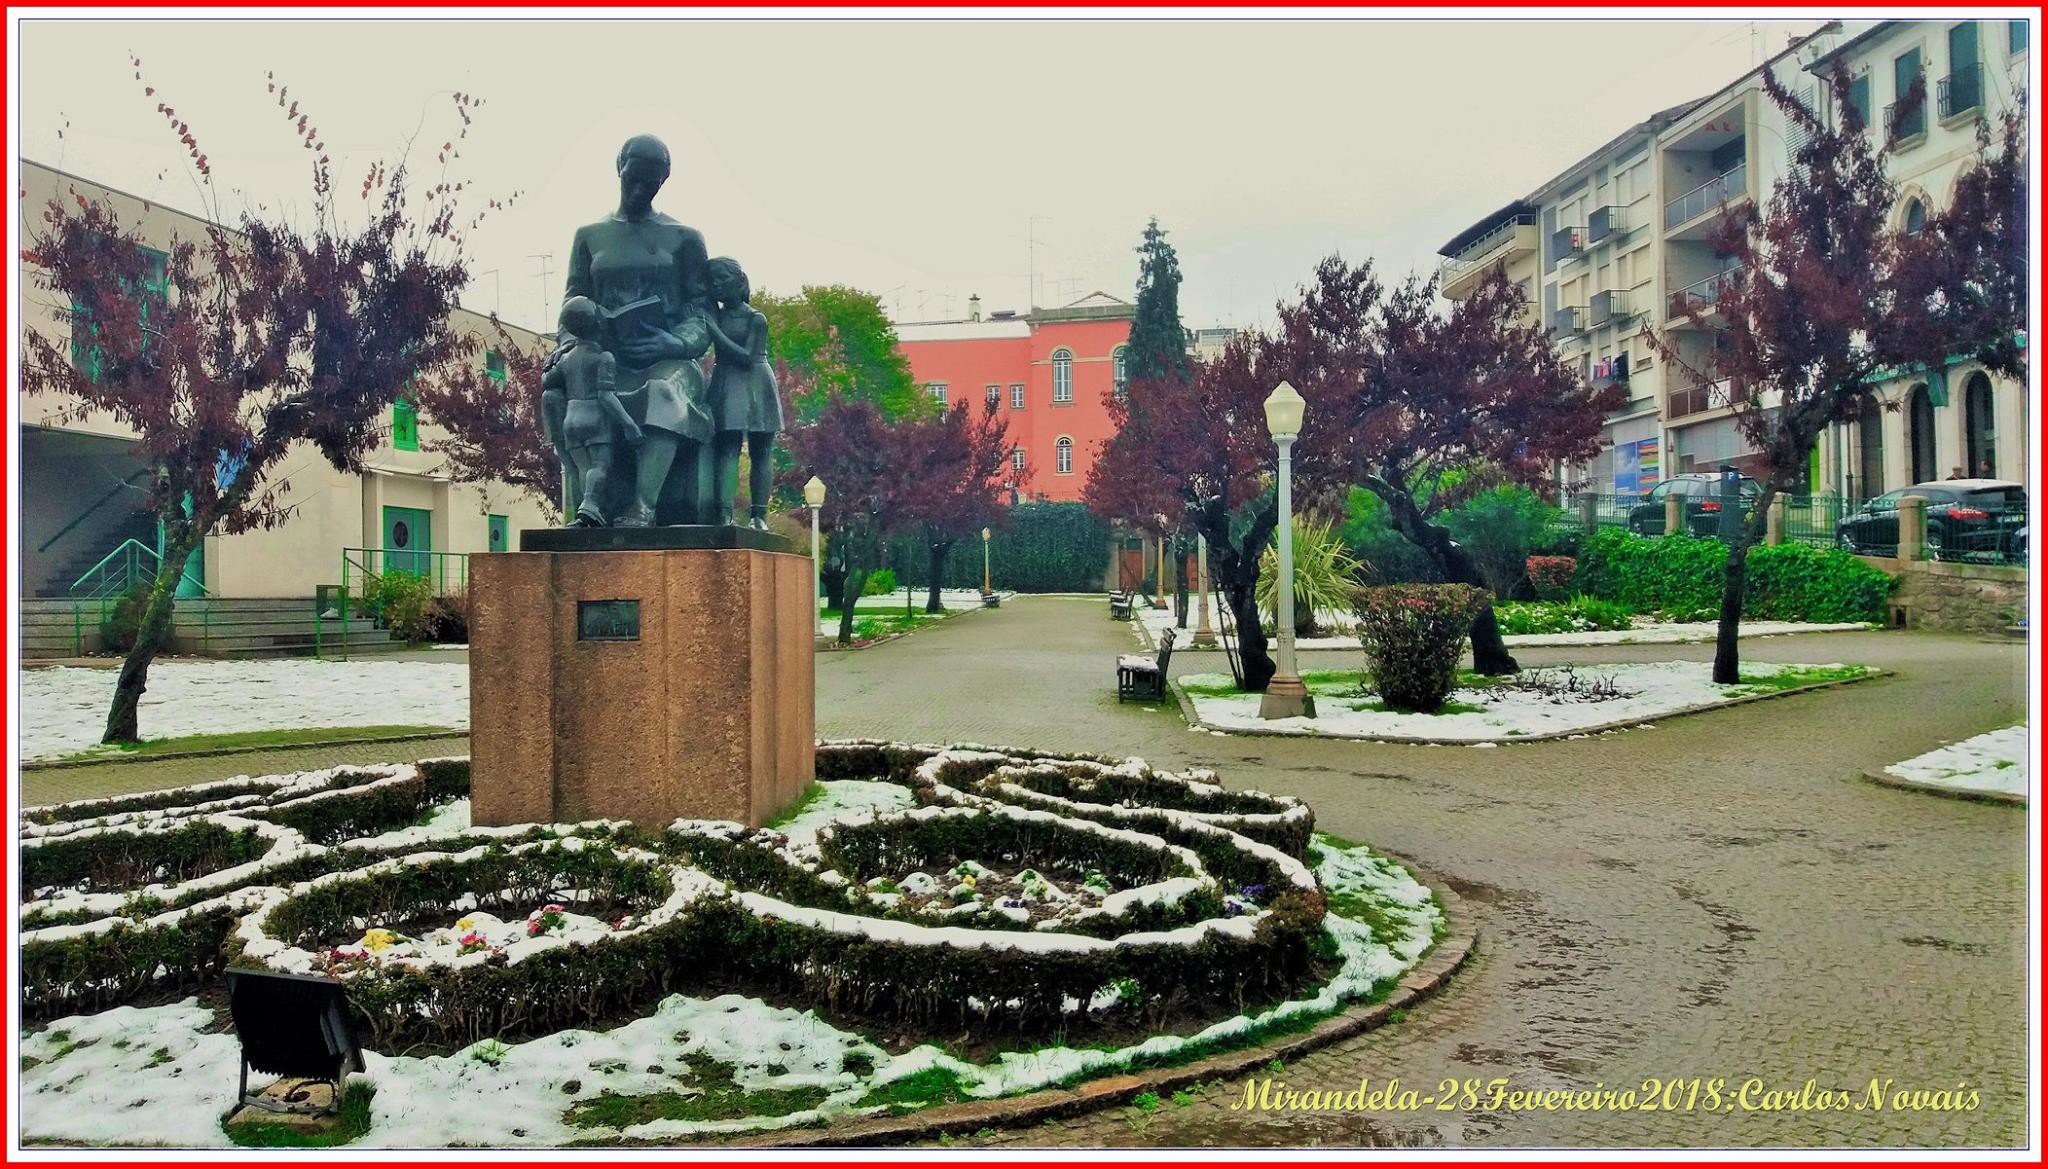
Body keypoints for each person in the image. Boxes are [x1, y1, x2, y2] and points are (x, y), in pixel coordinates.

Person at [563, 134, 714, 526]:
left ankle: (643, 507)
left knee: (662, 390)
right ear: (619, 167)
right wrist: (570, 348)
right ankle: (591, 506)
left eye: (651, 183)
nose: (641, 190)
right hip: (603, 356)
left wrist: (676, 341)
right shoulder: (589, 236)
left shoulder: (685, 238)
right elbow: (572, 306)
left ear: (663, 182)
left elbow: (701, 315)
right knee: (565, 390)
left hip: (668, 359)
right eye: (635, 179)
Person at [544, 297, 642, 527]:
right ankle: (589, 506)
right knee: (600, 466)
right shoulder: (603, 358)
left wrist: (549, 365)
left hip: (570, 418)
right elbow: (606, 396)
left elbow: (548, 381)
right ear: (599, 325)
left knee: (583, 468)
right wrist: (629, 424)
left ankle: (586, 513)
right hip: (595, 418)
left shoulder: (566, 359)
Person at [702, 257, 782, 529]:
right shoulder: (714, 314)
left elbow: (748, 356)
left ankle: (759, 515)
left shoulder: (756, 318)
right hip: (725, 379)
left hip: (756, 381)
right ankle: (723, 514)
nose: (717, 284)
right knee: (727, 448)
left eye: (722, 278)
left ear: (738, 281)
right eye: (712, 280)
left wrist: (714, 331)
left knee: (761, 451)